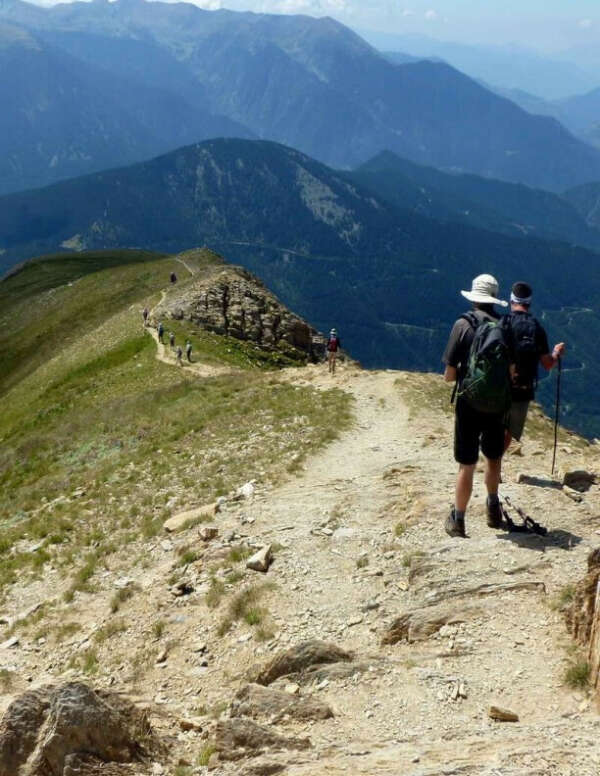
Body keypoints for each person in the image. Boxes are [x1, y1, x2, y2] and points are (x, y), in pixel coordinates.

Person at [442, 274, 509, 538]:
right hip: (497, 404)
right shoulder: (505, 327)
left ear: (473, 297)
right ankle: (493, 508)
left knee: (466, 464)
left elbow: (448, 375)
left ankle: (458, 520)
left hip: (469, 403)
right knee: (493, 458)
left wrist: (468, 376)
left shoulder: (463, 324)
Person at [503, 281, 566, 451]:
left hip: (499, 385)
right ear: (529, 303)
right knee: (509, 431)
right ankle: (496, 464)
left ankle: (490, 464)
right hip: (522, 388)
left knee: (495, 426)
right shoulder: (537, 328)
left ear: (511, 301)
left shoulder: (502, 323)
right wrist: (556, 353)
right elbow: (547, 364)